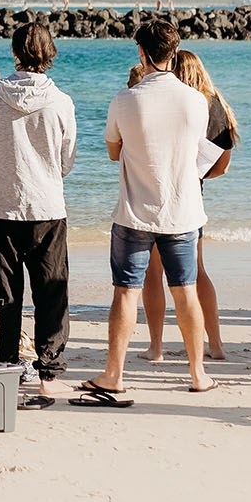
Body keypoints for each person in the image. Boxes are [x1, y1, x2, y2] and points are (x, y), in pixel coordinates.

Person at [86, 20, 214, 403]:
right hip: (183, 211)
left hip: (134, 212)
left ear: (141, 53)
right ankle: (197, 373)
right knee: (185, 292)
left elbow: (112, 151)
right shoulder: (196, 100)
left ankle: (114, 374)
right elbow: (193, 149)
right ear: (173, 53)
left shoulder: (125, 100)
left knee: (125, 294)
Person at [0, 21, 77, 404]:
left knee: (3, 293)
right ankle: (49, 371)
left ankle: (5, 364)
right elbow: (66, 160)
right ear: (49, 54)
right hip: (48, 205)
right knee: (51, 291)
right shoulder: (62, 101)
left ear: (15, 53)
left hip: (4, 203)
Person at [135, 50, 236, 365]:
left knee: (154, 272)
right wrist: (194, 175)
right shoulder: (216, 106)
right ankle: (216, 345)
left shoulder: (177, 101)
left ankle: (155, 346)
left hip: (157, 194)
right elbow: (222, 166)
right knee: (196, 271)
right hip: (193, 197)